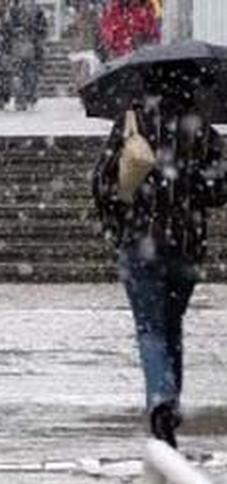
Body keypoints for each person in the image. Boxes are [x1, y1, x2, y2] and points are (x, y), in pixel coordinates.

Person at [93, 67, 227, 448]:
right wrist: (191, 185)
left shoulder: (132, 125)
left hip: (140, 240)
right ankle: (171, 403)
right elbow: (220, 189)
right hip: (186, 244)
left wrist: (119, 211)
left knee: (150, 327)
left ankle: (161, 399)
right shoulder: (203, 132)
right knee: (171, 324)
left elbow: (101, 181)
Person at [9, 0, 49, 110]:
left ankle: (28, 97)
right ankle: (23, 98)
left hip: (30, 50)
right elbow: (9, 28)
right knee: (21, 76)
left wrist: (34, 35)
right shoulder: (15, 9)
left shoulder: (36, 10)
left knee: (28, 76)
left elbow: (43, 29)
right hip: (21, 49)